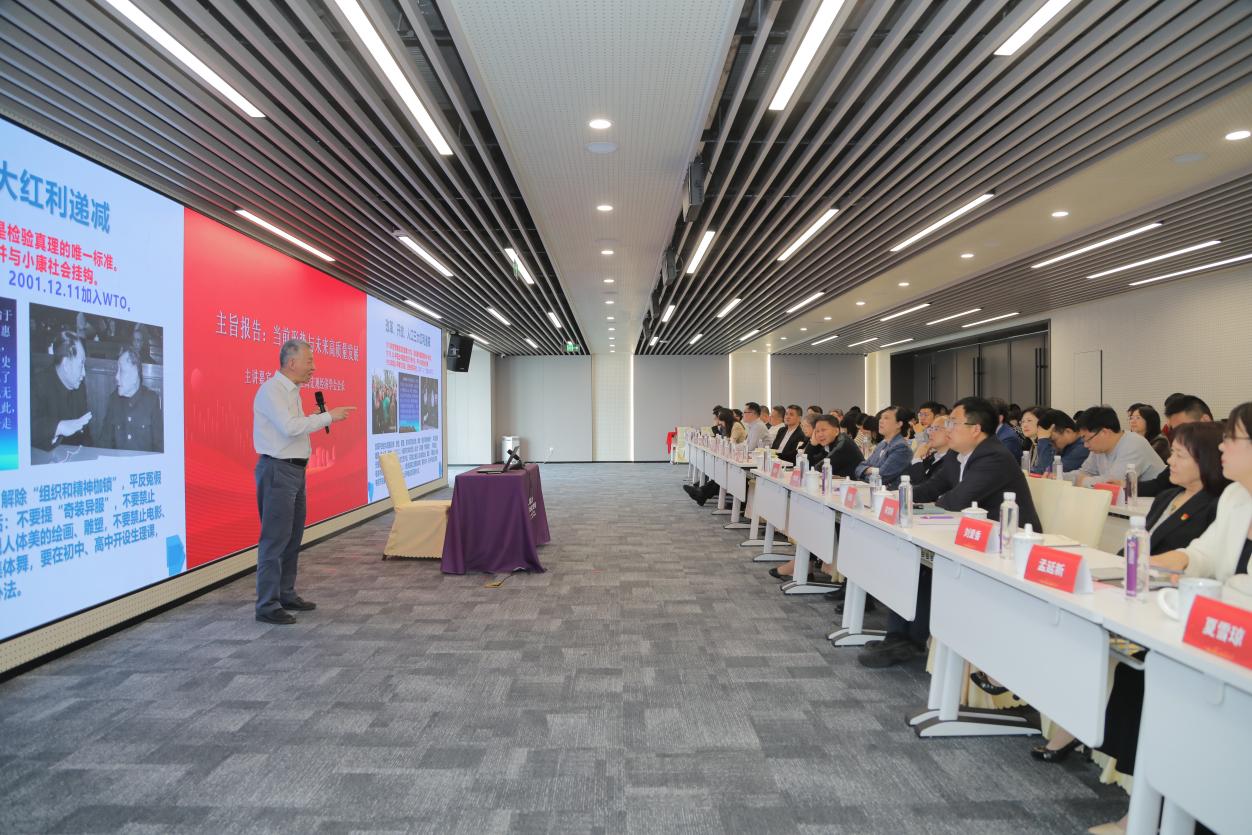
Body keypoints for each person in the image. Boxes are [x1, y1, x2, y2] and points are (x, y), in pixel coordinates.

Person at [1077, 417, 1237, 835]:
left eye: (1234, 440)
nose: (1224, 448)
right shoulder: (1238, 498)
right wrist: (1138, 564)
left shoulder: (1222, 499)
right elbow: (1201, 554)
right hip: (1204, 624)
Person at [859, 397, 1042, 668]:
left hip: (1007, 546)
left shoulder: (994, 457)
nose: (948, 429)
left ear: (975, 429)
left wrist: (929, 503)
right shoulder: (958, 456)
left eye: (953, 423)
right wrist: (896, 496)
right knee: (911, 560)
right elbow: (933, 487)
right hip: (970, 536)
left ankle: (910, 642)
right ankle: (897, 637)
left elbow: (957, 499)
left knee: (925, 569)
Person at [253, 339, 356, 624]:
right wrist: (327, 417)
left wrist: (316, 418)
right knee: (275, 540)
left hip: (295, 472)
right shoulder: (272, 390)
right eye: (309, 361)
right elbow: (289, 428)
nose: (314, 367)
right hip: (278, 471)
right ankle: (267, 604)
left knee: (292, 537)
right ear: (291, 362)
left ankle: (285, 593)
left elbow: (294, 428)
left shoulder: (293, 392)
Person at [1140, 395, 1214, 497]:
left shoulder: (1225, 456)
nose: (1179, 436)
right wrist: (1125, 486)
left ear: (1205, 420)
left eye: (1184, 429)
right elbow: (1159, 485)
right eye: (1175, 431)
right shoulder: (1182, 451)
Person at [31, 330, 93, 451]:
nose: (84, 373)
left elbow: (85, 435)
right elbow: (27, 427)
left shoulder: (79, 386)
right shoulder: (38, 384)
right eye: (81, 365)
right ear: (65, 364)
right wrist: (59, 427)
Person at [1074, 406, 1166, 486]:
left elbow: (1114, 482)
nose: (1085, 445)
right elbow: (1084, 472)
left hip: (1153, 498)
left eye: (1087, 439)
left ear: (1104, 433)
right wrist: (1068, 477)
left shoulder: (1133, 443)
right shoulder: (1098, 448)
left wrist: (1084, 481)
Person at [100, 347, 162, 452]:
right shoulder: (113, 400)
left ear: (135, 375)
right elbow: (104, 443)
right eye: (117, 371)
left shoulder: (151, 400)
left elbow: (159, 446)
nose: (116, 377)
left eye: (122, 371)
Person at [853, 406, 913, 489]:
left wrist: (866, 473)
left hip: (890, 494)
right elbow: (859, 468)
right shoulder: (882, 444)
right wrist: (872, 470)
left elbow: (881, 477)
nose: (880, 421)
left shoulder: (901, 448)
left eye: (886, 418)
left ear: (899, 424)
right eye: (881, 418)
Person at [1035, 409, 1090, 476]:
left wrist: (1043, 441)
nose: (1052, 446)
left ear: (1068, 431)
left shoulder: (1083, 447)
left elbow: (1047, 473)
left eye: (1053, 440)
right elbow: (1039, 469)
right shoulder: (1067, 445)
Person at [907, 414, 957, 484]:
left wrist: (917, 458)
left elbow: (925, 486)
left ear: (950, 432)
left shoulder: (953, 461)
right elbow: (908, 478)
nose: (930, 433)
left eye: (936, 429)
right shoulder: (931, 456)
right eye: (930, 429)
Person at [989, 397, 1023, 461]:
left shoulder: (1008, 438)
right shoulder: (993, 432)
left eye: (987, 416)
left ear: (1000, 418)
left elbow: (1000, 463)